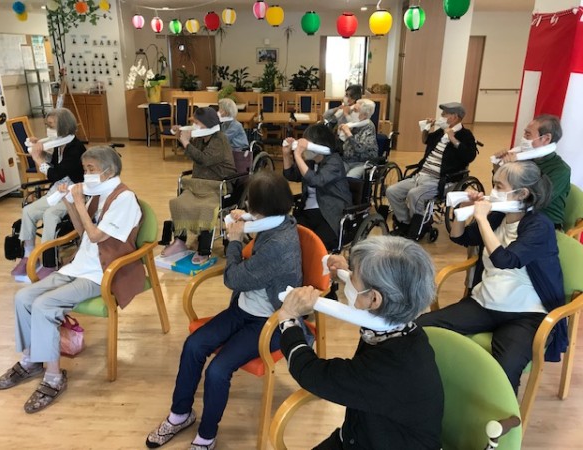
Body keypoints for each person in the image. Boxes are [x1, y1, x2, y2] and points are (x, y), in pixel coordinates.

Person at [146, 172, 303, 450]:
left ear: (261, 207)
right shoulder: (280, 220)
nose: (247, 208)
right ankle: (180, 415)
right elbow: (260, 226)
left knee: (218, 370)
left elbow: (233, 279)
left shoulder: (280, 245)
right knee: (193, 345)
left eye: (250, 204)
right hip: (243, 309)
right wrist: (248, 218)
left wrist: (234, 241)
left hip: (270, 321)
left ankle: (207, 435)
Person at [0, 146, 144, 413]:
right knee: (23, 297)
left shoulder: (124, 199)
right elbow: (82, 231)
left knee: (44, 305)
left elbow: (96, 236)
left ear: (109, 171)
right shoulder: (98, 194)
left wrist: (78, 201)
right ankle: (31, 360)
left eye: (91, 169)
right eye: (85, 169)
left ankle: (54, 377)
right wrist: (68, 202)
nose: (86, 174)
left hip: (101, 272)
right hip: (78, 266)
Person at [278, 236, 444, 450]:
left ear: (374, 299)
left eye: (353, 278)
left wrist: (289, 320)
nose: (349, 280)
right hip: (359, 434)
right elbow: (369, 296)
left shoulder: (391, 366)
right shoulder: (397, 327)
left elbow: (310, 373)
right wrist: (345, 274)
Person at [416, 161, 567, 392]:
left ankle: (500, 413)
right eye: (493, 184)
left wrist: (482, 218)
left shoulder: (539, 226)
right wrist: (464, 208)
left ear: (522, 193)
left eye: (499, 186)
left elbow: (504, 260)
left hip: (525, 314)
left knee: (506, 368)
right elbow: (460, 237)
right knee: (420, 327)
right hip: (484, 303)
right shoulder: (499, 216)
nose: (492, 191)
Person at [11, 108, 86, 280]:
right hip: (57, 191)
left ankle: (49, 263)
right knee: (28, 211)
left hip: (72, 194)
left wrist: (37, 158)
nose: (48, 129)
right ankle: (29, 256)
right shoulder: (60, 144)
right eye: (48, 125)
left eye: (51, 125)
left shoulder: (76, 148)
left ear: (63, 126)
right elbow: (54, 163)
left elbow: (55, 174)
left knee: (50, 215)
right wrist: (40, 150)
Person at [386, 102, 477, 240]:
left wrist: (453, 139)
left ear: (454, 117)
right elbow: (426, 140)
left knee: (414, 195)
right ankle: (406, 223)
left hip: (441, 180)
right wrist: (426, 128)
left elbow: (469, 156)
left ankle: (417, 230)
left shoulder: (465, 134)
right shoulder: (441, 132)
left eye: (444, 114)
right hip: (421, 175)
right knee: (392, 191)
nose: (441, 116)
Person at [162, 107, 237, 265]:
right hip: (198, 185)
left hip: (218, 186)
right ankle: (179, 241)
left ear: (207, 124)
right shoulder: (201, 138)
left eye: (197, 123)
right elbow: (192, 151)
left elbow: (203, 159)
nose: (194, 125)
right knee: (178, 203)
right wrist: (179, 133)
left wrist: (185, 141)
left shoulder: (220, 140)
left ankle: (204, 249)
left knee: (205, 207)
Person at [283, 124, 352, 251]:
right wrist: (287, 154)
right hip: (308, 211)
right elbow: (291, 175)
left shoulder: (334, 161)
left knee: (313, 247)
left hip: (330, 213)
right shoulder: (311, 161)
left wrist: (298, 156)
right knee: (289, 240)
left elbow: (316, 180)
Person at [493, 114, 571, 228]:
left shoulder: (560, 170)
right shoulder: (524, 159)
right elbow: (502, 190)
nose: (523, 138)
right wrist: (498, 166)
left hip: (543, 221)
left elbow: (537, 201)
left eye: (528, 134)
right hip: (516, 212)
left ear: (546, 139)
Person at [338, 98, 379, 178]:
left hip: (363, 162)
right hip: (347, 160)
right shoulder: (353, 124)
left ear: (365, 114)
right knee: (334, 175)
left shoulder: (369, 127)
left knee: (350, 178)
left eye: (355, 111)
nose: (352, 113)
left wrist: (348, 134)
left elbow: (360, 149)